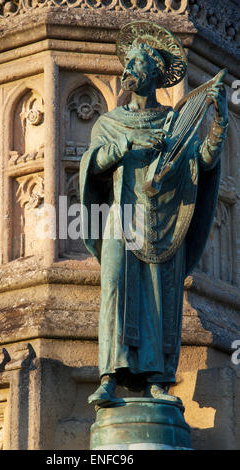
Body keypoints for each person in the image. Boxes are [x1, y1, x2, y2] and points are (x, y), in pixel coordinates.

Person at [79, 21, 228, 405]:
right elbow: (92, 166)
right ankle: (110, 375)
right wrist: (125, 145)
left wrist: (219, 125)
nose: (130, 68)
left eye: (139, 62)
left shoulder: (173, 123)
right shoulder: (110, 123)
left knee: (162, 296)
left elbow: (202, 163)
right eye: (128, 61)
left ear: (156, 75)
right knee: (114, 286)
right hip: (122, 221)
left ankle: (159, 378)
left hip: (163, 222)